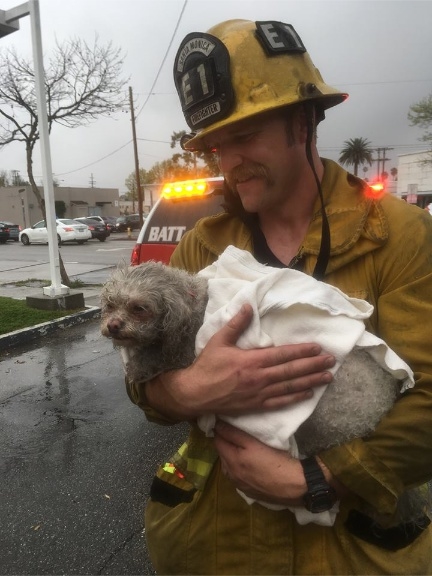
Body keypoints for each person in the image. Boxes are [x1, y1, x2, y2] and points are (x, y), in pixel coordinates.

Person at [126, 19, 432, 574]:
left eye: (243, 137)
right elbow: (142, 384)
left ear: (305, 120)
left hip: (349, 549)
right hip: (215, 546)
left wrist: (320, 478)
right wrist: (188, 389)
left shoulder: (399, 234)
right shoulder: (202, 246)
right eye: (216, 146)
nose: (228, 162)